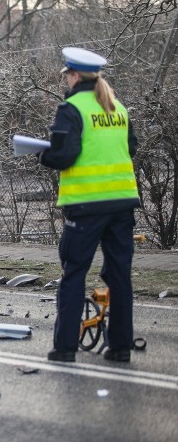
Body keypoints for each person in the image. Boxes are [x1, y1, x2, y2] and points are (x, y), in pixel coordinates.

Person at [38, 47, 140, 363]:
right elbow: (131, 148)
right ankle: (120, 347)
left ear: (76, 76)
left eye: (66, 75)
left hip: (85, 205)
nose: (65, 81)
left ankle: (65, 348)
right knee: (119, 274)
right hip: (121, 203)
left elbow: (65, 155)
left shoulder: (71, 108)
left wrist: (43, 153)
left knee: (74, 272)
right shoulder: (117, 107)